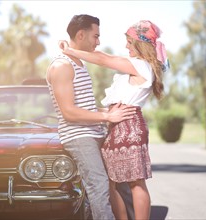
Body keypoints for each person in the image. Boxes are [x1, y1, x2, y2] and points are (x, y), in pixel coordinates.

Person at [59, 20, 169, 220]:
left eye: (129, 42)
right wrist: (104, 114)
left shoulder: (142, 66)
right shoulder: (135, 67)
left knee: (136, 182)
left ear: (140, 43)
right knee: (112, 182)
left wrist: (71, 51)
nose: (126, 46)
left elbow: (103, 59)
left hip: (129, 126)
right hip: (116, 126)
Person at [46, 14, 136, 220]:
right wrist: (107, 116)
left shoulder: (78, 63)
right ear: (80, 34)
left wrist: (106, 114)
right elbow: (68, 112)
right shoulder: (62, 66)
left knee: (100, 189)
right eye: (95, 36)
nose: (98, 41)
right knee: (99, 185)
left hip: (92, 132)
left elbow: (84, 104)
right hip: (78, 136)